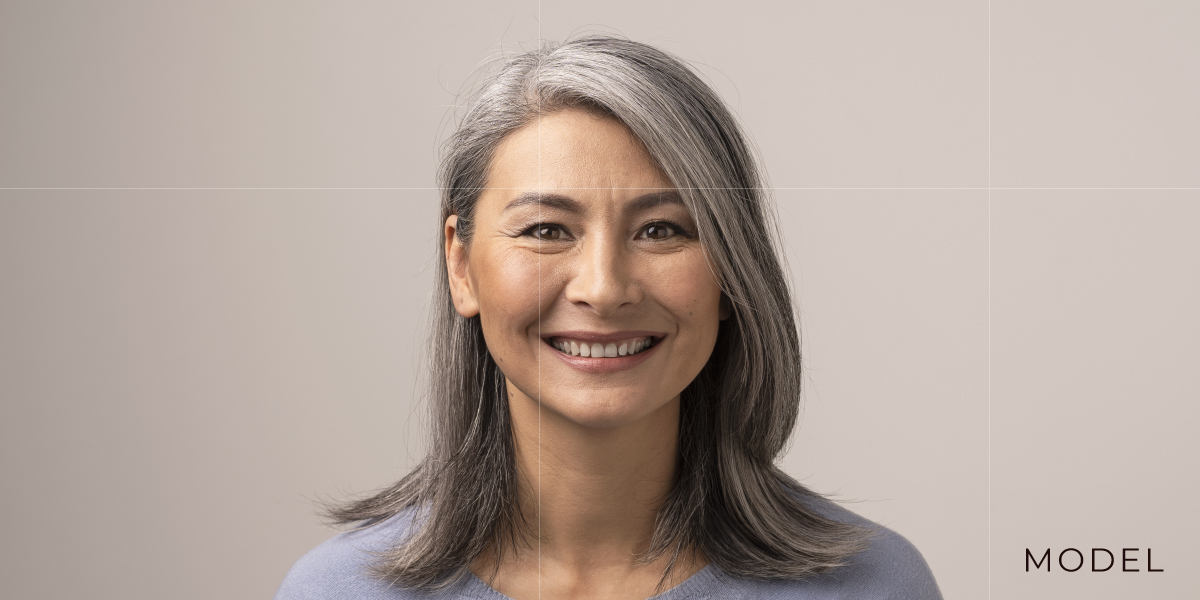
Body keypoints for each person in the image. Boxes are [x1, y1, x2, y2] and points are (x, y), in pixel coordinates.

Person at [275, 36, 942, 600]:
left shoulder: (876, 584)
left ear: (731, 269)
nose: (604, 288)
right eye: (545, 229)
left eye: (660, 230)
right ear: (461, 264)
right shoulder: (335, 592)